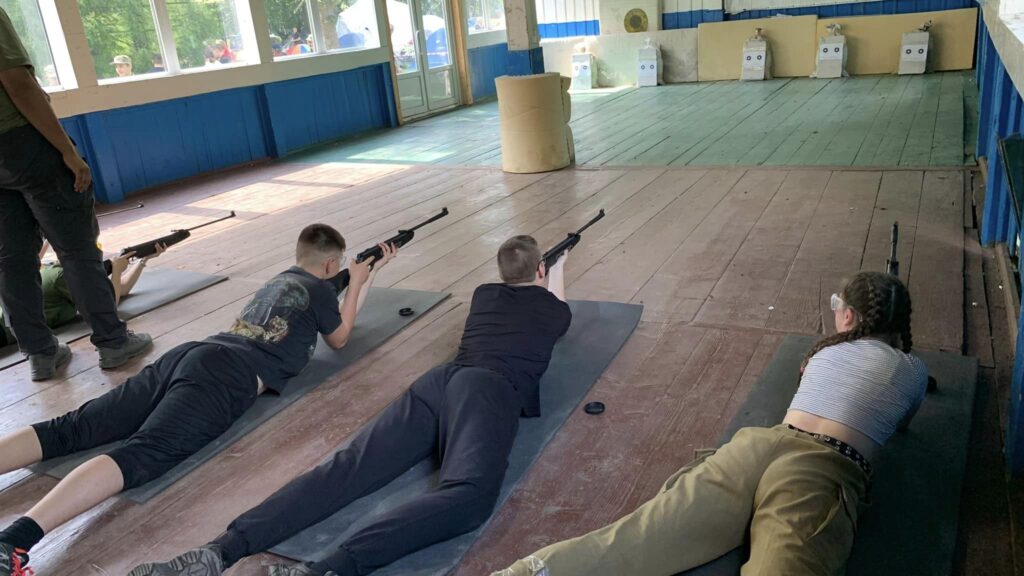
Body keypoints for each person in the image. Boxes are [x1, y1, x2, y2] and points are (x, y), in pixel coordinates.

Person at [129, 235, 573, 576]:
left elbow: (527, 294)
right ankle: (329, 569)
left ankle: (219, 551)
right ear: (541, 269)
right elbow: (554, 307)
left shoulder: (484, 295)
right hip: (488, 390)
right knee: (468, 496)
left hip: (439, 383)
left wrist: (540, 270)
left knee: (348, 469)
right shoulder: (552, 310)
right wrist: (559, 269)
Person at [0, 225, 397, 576]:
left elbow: (338, 318)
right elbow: (340, 337)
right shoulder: (322, 290)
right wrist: (358, 281)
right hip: (228, 376)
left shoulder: (282, 280)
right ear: (331, 265)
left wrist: (365, 275)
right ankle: (14, 541)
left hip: (192, 353)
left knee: (72, 428)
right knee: (143, 453)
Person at [491, 271, 929, 576]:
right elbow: (901, 423)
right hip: (825, 467)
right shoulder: (911, 371)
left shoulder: (824, 351)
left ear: (848, 317)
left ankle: (527, 572)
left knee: (637, 537)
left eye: (838, 306)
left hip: (756, 448)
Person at [0, 7, 151, 382]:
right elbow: (18, 83)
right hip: (24, 144)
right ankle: (113, 342)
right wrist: (66, 150)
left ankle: (40, 353)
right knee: (76, 249)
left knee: (11, 260)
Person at [0, 242, 168, 348]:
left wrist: (143, 260)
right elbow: (109, 306)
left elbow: (121, 289)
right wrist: (116, 271)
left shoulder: (53, 269)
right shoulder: (62, 277)